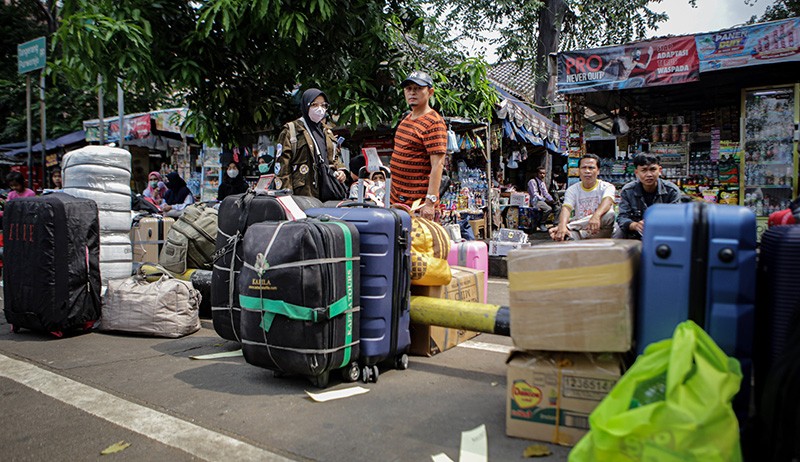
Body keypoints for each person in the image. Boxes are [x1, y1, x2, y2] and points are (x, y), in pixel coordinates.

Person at [389, 70, 448, 220]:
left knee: (420, 243)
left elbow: (438, 164)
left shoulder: (434, 122)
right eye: (409, 89)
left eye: (418, 88)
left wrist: (430, 203)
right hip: (397, 203)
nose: (412, 93)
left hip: (419, 206)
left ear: (430, 92)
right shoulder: (406, 119)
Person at [275, 88, 346, 198]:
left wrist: (341, 171)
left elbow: (334, 158)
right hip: (303, 195)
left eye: (323, 105)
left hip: (328, 192)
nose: (320, 109)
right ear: (306, 106)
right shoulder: (291, 130)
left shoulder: (327, 132)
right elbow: (282, 168)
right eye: (314, 104)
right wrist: (286, 196)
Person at [550, 154, 616, 241]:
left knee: (610, 214)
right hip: (580, 231)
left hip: (601, 230)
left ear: (598, 171)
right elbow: (566, 208)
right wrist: (562, 226)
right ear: (579, 170)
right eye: (584, 168)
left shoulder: (607, 187)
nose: (587, 171)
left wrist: (596, 216)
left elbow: (607, 202)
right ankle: (565, 229)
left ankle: (568, 227)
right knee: (562, 236)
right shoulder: (572, 190)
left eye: (591, 168)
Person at [617, 153, 683, 239]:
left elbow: (676, 218)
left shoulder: (671, 190)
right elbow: (622, 217)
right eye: (644, 170)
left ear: (659, 170)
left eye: (653, 169)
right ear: (636, 172)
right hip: (635, 236)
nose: (649, 174)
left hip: (664, 234)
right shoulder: (628, 191)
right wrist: (635, 225)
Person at [527, 166, 556, 231]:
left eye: (544, 173)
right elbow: (534, 194)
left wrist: (551, 200)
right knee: (548, 209)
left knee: (557, 207)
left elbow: (546, 193)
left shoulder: (542, 183)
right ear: (537, 173)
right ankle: (541, 223)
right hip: (534, 201)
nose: (542, 175)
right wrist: (545, 200)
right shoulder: (532, 181)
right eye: (541, 173)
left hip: (541, 200)